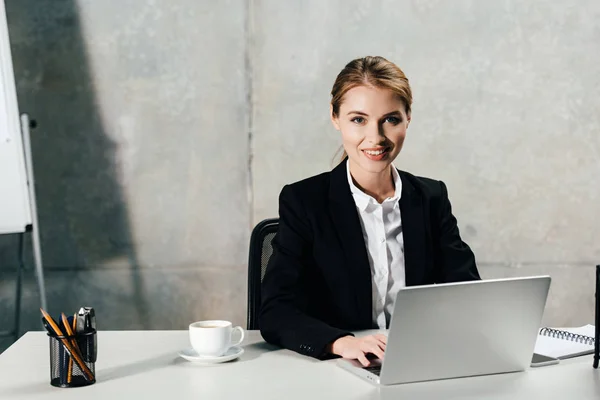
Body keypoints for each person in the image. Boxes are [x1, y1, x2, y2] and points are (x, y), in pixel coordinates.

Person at [259, 56, 480, 367]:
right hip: (337, 366)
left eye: (390, 119)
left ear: (408, 119)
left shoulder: (430, 198)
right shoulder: (304, 200)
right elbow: (275, 310)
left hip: (416, 361)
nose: (375, 138)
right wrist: (342, 343)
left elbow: (467, 294)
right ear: (336, 118)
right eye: (358, 119)